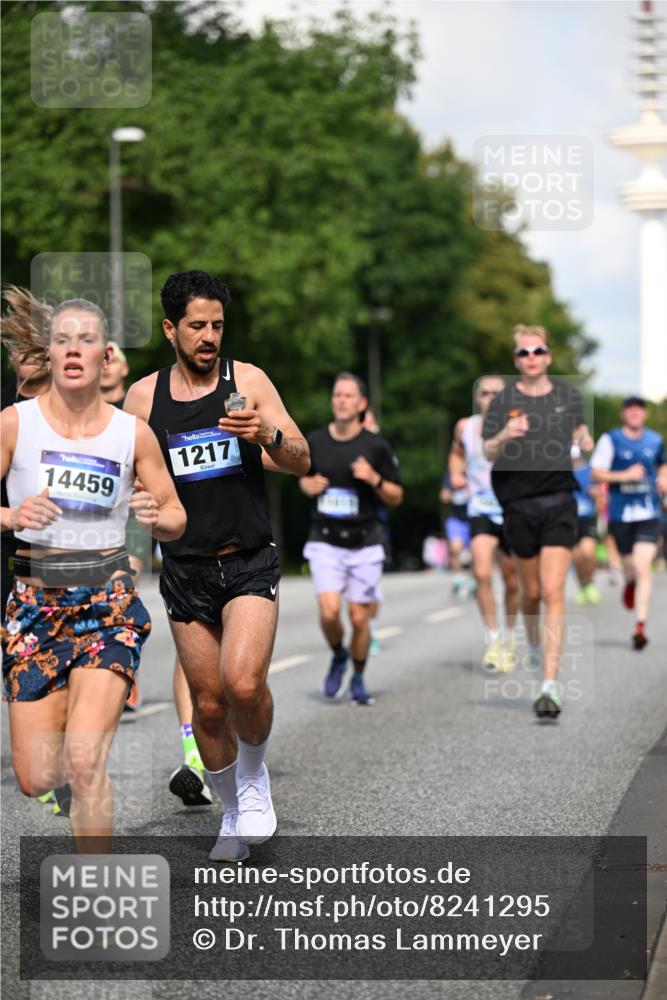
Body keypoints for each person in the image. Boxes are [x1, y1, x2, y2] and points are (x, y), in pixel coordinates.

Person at [123, 270, 309, 862]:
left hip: (249, 559)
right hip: (184, 567)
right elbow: (128, 480)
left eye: (218, 326)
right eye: (197, 326)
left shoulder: (246, 381)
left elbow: (302, 459)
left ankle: (254, 779)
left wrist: (268, 432)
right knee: (207, 704)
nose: (209, 337)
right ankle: (231, 812)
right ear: (170, 328)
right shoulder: (142, 398)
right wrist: (138, 505)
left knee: (244, 683)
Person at [0, 293, 185, 851]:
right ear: (48, 355)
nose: (73, 350)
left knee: (85, 761)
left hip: (108, 607)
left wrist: (158, 518)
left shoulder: (132, 434)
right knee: (37, 778)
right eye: (62, 340)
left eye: (86, 341)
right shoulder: (15, 424)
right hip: (34, 609)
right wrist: (11, 514)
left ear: (106, 357)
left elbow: (176, 514)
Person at [482, 325, 593, 719]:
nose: (531, 358)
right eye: (523, 353)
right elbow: (488, 450)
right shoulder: (503, 401)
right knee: (529, 593)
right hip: (518, 506)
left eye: (537, 351)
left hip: (559, 502)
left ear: (548, 356)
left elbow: (581, 435)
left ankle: (549, 684)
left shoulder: (567, 397)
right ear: (516, 360)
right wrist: (507, 435)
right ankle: (533, 647)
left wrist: (585, 443)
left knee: (552, 590)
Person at [299, 373, 403, 705]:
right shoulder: (315, 441)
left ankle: (358, 676)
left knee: (359, 618)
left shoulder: (375, 446)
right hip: (325, 539)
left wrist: (374, 479)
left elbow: (397, 495)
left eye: (348, 395)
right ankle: (338, 655)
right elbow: (301, 478)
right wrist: (306, 486)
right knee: (329, 612)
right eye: (337, 394)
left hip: (366, 541)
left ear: (361, 404)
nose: (341, 400)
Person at [449, 375, 519, 672]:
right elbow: (456, 453)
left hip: (513, 509)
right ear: (478, 398)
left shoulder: (518, 426)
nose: (490, 397)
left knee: (513, 580)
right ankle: (492, 640)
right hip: (481, 507)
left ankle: (510, 636)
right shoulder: (466, 427)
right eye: (485, 393)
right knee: (480, 573)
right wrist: (455, 473)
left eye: (496, 393)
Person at [591, 396, 667, 649]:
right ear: (624, 414)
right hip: (620, 514)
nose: (635, 414)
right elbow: (596, 471)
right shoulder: (610, 439)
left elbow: (663, 465)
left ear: (644, 414)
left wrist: (664, 478)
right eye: (630, 410)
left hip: (648, 512)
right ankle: (630, 582)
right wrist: (624, 474)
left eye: (639, 411)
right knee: (630, 567)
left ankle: (640, 626)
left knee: (642, 566)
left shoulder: (655, 440)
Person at [572, 451, 602, 606]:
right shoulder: (561, 471)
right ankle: (582, 586)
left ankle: (590, 583)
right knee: (577, 558)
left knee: (588, 553)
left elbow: (600, 495)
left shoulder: (590, 470)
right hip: (569, 519)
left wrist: (600, 514)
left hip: (587, 519)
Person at [439, 473, 472, 597]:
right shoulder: (450, 476)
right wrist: (454, 493)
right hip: (456, 518)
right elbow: (443, 496)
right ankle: (458, 579)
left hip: (473, 517)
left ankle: (474, 581)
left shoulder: (474, 473)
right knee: (455, 548)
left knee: (475, 553)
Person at [100, 340, 129, 407]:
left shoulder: (137, 405)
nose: (105, 367)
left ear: (125, 369)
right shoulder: (80, 407)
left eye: (112, 361)